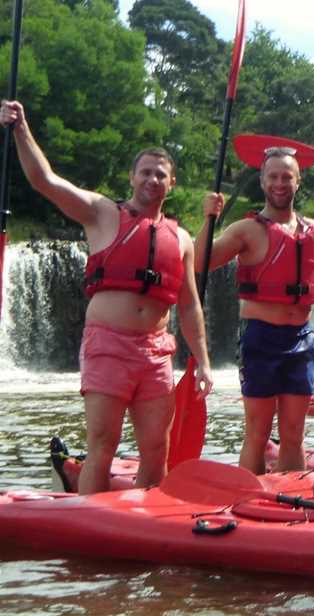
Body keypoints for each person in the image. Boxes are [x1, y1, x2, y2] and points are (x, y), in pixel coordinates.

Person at [0, 100, 213, 495]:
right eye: (145, 172)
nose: (152, 179)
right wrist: (20, 129)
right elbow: (45, 180)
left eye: (161, 174)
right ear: (132, 177)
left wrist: (202, 360)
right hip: (108, 344)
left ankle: (148, 525)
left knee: (156, 447)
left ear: (172, 183)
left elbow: (188, 305)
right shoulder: (101, 213)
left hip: (156, 353)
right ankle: (89, 520)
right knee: (103, 444)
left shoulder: (181, 239)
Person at [197, 146, 314, 474]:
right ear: (262, 181)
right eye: (273, 176)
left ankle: (290, 500)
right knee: (257, 434)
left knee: (294, 435)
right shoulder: (247, 230)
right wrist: (208, 220)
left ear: (298, 182)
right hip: (260, 339)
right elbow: (200, 262)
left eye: (287, 177)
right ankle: (246, 502)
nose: (280, 183)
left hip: (301, 339)